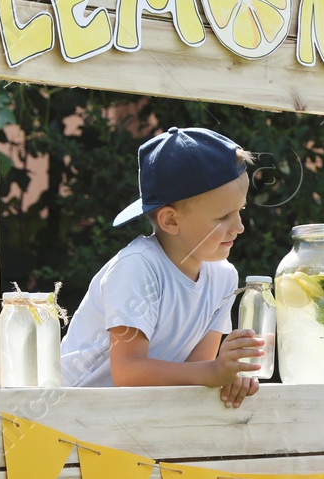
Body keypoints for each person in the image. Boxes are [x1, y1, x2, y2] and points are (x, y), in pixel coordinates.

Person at [59, 126, 265, 406]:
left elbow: (195, 372)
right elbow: (128, 373)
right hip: (71, 419)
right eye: (223, 217)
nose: (239, 227)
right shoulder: (137, 268)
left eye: (240, 211)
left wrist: (228, 376)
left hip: (137, 417)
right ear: (171, 221)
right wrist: (213, 371)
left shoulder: (224, 276)